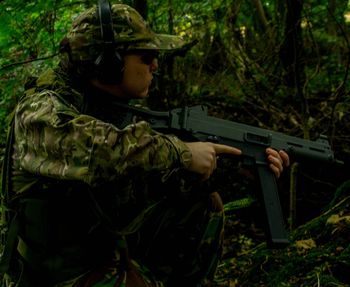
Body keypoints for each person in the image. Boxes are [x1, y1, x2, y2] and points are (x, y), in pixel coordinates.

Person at [0, 2, 289, 287]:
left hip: (104, 243)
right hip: (57, 273)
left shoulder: (106, 107)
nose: (155, 65)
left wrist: (235, 171)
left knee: (203, 202)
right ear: (109, 62)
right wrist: (182, 152)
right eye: (146, 55)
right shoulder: (40, 110)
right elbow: (103, 151)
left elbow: (149, 182)